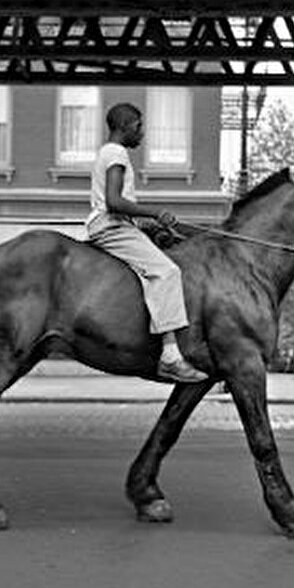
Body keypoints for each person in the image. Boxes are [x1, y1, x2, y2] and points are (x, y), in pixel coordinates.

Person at [87, 102, 208, 383]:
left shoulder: (106, 153)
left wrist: (149, 224)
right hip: (111, 226)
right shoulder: (116, 153)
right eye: (139, 126)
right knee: (167, 272)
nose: (142, 133)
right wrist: (155, 212)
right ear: (124, 126)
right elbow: (114, 202)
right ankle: (169, 356)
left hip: (113, 224)